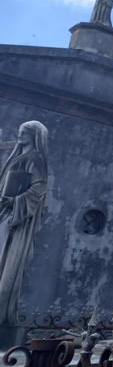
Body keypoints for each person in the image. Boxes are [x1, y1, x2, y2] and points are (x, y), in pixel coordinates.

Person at [0, 121, 49, 325]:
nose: (20, 136)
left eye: (25, 133)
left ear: (34, 136)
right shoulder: (18, 156)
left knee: (6, 269)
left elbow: (38, 190)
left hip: (15, 219)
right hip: (5, 214)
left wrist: (14, 202)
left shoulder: (35, 160)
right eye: (19, 132)